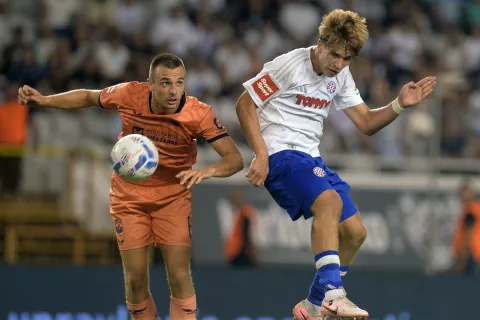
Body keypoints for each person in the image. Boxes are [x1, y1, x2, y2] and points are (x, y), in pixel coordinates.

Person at [235, 9, 436, 319]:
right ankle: (332, 293)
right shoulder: (289, 65)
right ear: (321, 43)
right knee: (328, 203)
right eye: (335, 55)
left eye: (347, 59)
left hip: (310, 157)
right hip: (279, 153)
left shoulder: (340, 75)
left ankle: (313, 305)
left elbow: (366, 122)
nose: (339, 64)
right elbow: (245, 104)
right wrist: (260, 153)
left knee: (355, 232)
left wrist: (398, 105)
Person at [17, 53, 244, 320]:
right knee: (136, 278)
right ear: (150, 83)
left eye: (179, 83)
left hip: (172, 196)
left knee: (179, 274)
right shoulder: (128, 94)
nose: (173, 91)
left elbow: (235, 159)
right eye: (165, 83)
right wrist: (45, 100)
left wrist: (208, 171)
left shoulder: (198, 113)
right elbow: (89, 97)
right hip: (129, 195)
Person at [224, 191, 259, 267]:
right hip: (235, 253)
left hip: (240, 253)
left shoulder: (245, 214)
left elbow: (247, 235)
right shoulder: (238, 214)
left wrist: (252, 253)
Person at [452, 181, 480, 276]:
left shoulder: (470, 210)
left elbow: (468, 234)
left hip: (471, 256)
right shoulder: (475, 207)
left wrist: (462, 260)